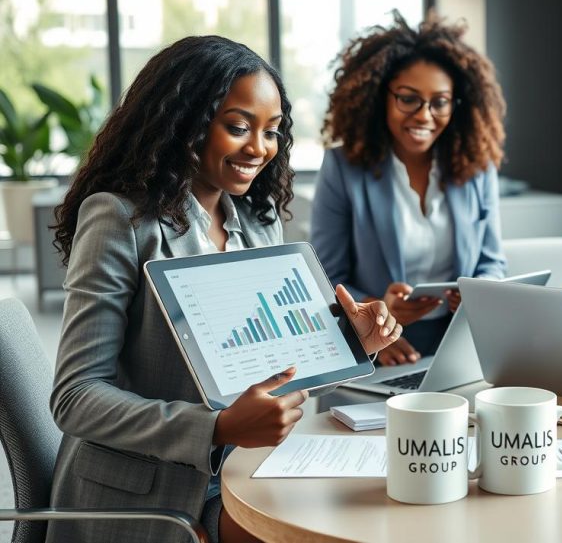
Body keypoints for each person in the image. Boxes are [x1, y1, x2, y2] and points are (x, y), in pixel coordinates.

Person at [48, 36, 401, 543]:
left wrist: (351, 345)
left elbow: (272, 376)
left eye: (272, 131)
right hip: (144, 497)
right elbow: (76, 397)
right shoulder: (121, 219)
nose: (259, 147)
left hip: (240, 475)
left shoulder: (258, 224)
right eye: (238, 127)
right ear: (184, 123)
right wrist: (216, 429)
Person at [312, 11, 507, 366]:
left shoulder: (477, 168)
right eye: (408, 98)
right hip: (379, 349)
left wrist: (477, 295)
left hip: (461, 343)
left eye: (439, 102)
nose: (424, 115)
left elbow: (492, 262)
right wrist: (376, 314)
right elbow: (325, 278)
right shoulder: (343, 168)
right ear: (381, 96)